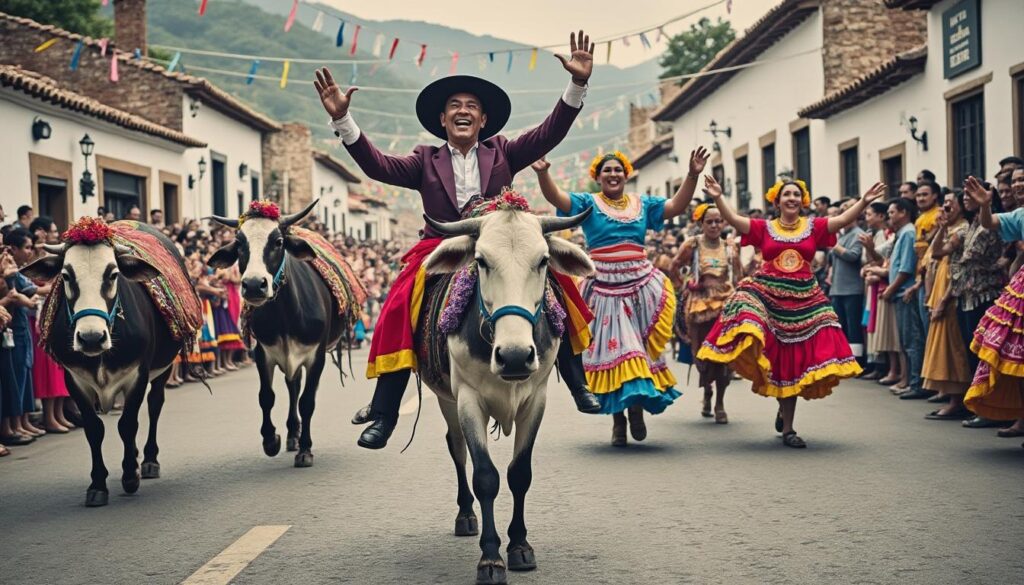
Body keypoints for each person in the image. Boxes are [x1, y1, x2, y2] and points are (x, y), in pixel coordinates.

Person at [315, 30, 602, 449]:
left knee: (558, 289)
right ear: (442, 121)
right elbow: (376, 166)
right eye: (454, 107)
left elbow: (548, 133)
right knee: (399, 301)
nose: (463, 111)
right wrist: (344, 121)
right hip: (442, 247)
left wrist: (576, 85)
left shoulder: (504, 151)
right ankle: (385, 411)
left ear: (483, 121)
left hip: (501, 246)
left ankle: (578, 383)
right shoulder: (422, 160)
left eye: (471, 107)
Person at [532, 148, 706, 445]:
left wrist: (692, 174)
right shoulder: (588, 203)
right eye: (607, 171)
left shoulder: (643, 204)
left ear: (626, 176)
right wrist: (543, 174)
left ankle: (635, 409)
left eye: (618, 170)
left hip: (640, 287)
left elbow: (676, 205)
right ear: (598, 178)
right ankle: (618, 421)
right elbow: (558, 199)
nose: (613, 174)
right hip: (602, 289)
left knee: (636, 354)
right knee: (614, 353)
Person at [697, 176, 886, 448]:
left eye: (797, 194)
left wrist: (864, 202)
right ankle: (781, 408)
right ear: (777, 200)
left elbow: (842, 220)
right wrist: (717, 197)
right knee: (748, 313)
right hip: (768, 295)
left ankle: (788, 428)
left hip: (804, 297)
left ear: (803, 200)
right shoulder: (765, 227)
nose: (792, 198)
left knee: (796, 357)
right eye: (787, 194)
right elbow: (736, 221)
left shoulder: (814, 227)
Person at [963, 174, 1024, 440]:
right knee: (1017, 360)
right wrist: (986, 205)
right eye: (1016, 180)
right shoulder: (1021, 214)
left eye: (1023, 179)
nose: (1018, 184)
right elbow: (990, 223)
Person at [672, 202, 740, 424]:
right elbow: (674, 266)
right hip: (699, 307)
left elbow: (738, 278)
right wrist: (686, 282)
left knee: (724, 356)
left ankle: (720, 402)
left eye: (718, 221)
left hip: (724, 304)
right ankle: (707, 392)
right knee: (702, 355)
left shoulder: (730, 247)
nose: (714, 225)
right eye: (709, 221)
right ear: (700, 223)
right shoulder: (692, 244)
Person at [920, 192, 972, 418]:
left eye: (951, 203)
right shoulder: (949, 229)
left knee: (953, 348)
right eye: (945, 203)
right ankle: (948, 394)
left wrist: (943, 300)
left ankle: (957, 400)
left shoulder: (962, 230)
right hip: (940, 291)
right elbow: (934, 255)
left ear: (962, 207)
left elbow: (951, 262)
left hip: (951, 294)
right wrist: (941, 227)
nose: (946, 206)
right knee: (941, 347)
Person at [859, 202, 903, 385]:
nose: (866, 218)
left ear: (881, 216)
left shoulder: (895, 234)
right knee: (877, 328)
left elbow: (884, 263)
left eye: (869, 214)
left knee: (892, 333)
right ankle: (880, 366)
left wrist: (874, 271)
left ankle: (894, 371)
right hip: (877, 285)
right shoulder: (880, 235)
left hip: (887, 286)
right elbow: (875, 259)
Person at [829, 199, 865, 365]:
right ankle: (844, 357)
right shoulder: (843, 235)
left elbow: (853, 255)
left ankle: (856, 360)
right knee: (840, 326)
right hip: (838, 288)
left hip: (852, 288)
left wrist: (835, 246)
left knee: (853, 327)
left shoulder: (858, 234)